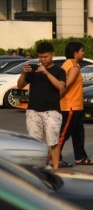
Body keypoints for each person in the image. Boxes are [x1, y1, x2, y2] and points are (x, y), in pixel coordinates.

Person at [17, 42, 66, 170]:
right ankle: (37, 169)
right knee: (35, 143)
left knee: (53, 142)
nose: (43, 59)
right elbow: (20, 85)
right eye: (40, 57)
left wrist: (46, 73)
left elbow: (61, 87)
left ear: (52, 55)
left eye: (46, 57)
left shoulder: (59, 71)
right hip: (33, 111)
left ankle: (56, 169)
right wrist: (23, 73)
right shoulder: (34, 71)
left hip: (52, 111)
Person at [58, 41, 93, 166]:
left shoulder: (66, 64)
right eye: (82, 50)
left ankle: (80, 157)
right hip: (70, 106)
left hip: (76, 105)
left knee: (78, 133)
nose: (83, 53)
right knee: (64, 133)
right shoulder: (73, 66)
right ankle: (54, 158)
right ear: (75, 52)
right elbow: (66, 85)